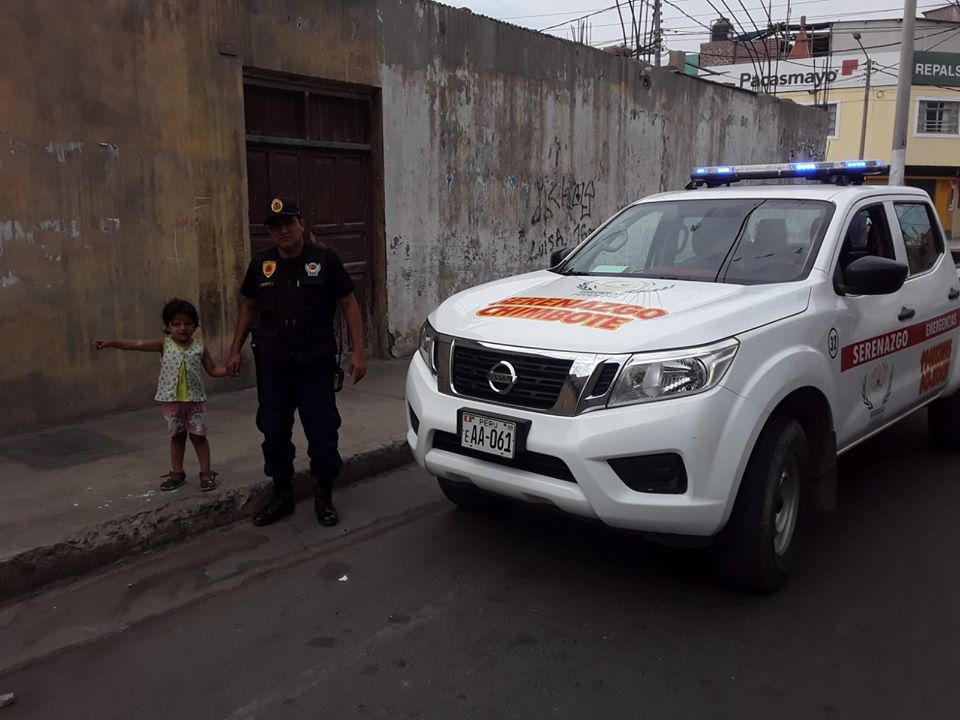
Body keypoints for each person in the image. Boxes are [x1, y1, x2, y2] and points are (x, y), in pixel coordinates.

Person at [227, 196, 366, 528]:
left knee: (321, 432)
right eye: (275, 226)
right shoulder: (261, 264)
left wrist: (358, 354)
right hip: (273, 366)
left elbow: (349, 304)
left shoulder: (325, 259)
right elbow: (248, 308)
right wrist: (235, 350)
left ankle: (323, 494)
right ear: (270, 233)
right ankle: (282, 494)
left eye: (288, 223)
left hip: (314, 365)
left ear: (301, 223)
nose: (283, 230)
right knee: (273, 431)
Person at [96, 299, 228, 492]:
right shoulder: (164, 345)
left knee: (199, 437)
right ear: (168, 326)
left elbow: (213, 369)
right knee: (177, 437)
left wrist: (229, 371)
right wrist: (112, 343)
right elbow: (137, 344)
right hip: (172, 402)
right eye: (176, 324)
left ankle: (206, 473)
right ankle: (177, 472)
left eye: (187, 323)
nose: (182, 328)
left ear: (195, 326)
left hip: (195, 402)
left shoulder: (200, 347)